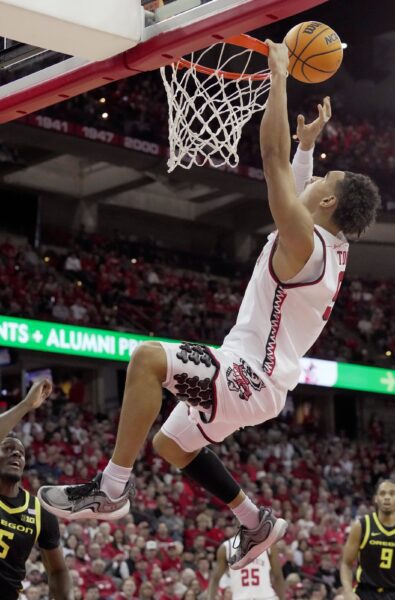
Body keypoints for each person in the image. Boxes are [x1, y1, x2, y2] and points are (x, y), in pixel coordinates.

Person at [38, 41, 380, 570]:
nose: (312, 179)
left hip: (249, 375)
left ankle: (110, 489)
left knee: (148, 359)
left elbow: (272, 163)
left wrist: (280, 75)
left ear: (329, 202)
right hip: (259, 378)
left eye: (322, 181)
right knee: (173, 446)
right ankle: (254, 520)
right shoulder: (327, 247)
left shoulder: (305, 245)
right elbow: (295, 182)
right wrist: (308, 147)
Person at [340, 480, 395, 600]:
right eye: (383, 493)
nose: (387, 497)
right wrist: (348, 591)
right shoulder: (362, 526)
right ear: (376, 499)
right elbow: (346, 563)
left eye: (392, 494)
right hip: (366, 593)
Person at [207, 535, 285, 600]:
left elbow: (278, 575)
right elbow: (215, 578)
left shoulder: (268, 544)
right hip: (241, 597)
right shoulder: (226, 547)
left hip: (266, 597)